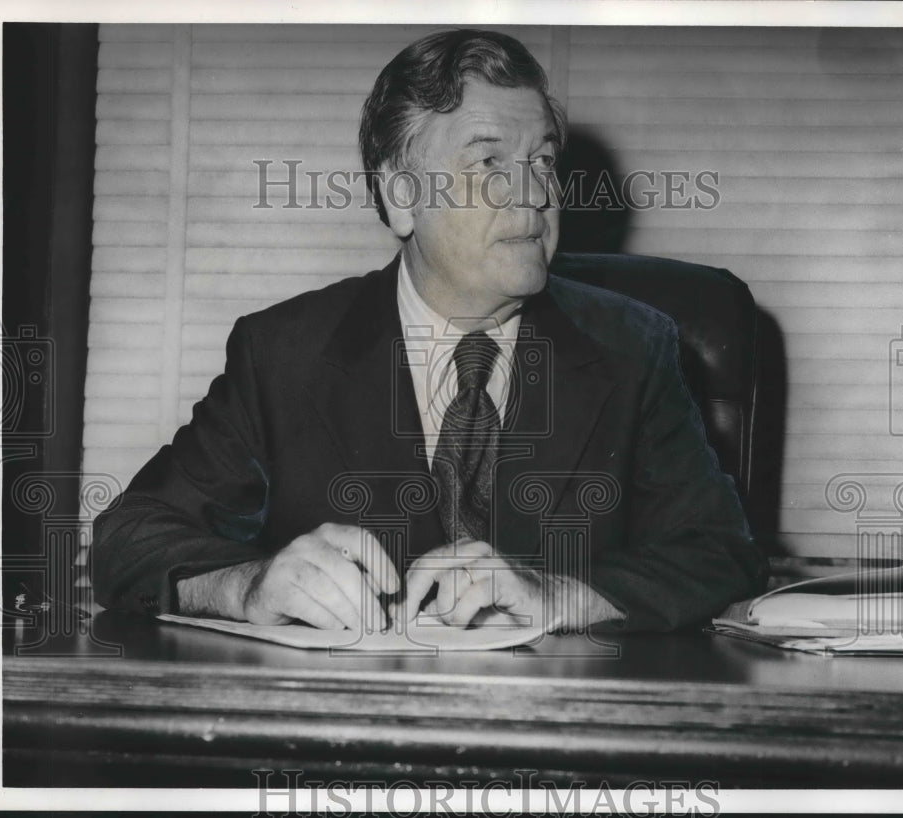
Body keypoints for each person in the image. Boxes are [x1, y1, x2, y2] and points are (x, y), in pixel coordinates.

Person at [91, 29, 767, 633]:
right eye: (490, 163)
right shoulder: (285, 354)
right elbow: (130, 537)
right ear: (401, 197)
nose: (534, 193)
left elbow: (719, 552)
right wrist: (245, 586)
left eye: (542, 161)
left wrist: (562, 597)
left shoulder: (632, 346)